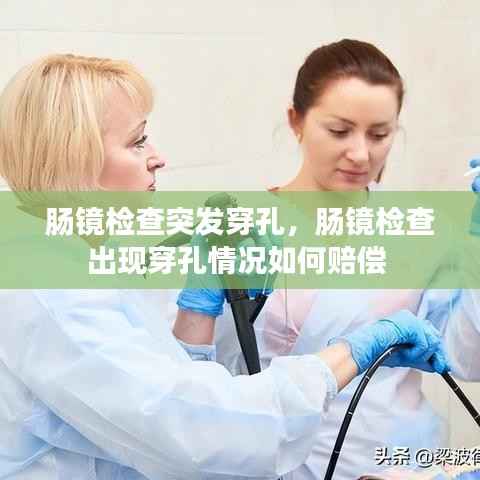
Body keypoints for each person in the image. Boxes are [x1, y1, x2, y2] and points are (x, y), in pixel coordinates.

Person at [0, 53, 449, 480]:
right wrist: (355, 351)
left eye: (379, 133)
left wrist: (200, 306)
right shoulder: (48, 290)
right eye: (137, 141)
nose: (157, 157)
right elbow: (192, 425)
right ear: (74, 158)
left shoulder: (85, 262)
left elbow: (169, 385)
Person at [176, 40, 480, 479]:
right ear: (295, 121)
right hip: (277, 465)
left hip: (400, 464)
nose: (361, 154)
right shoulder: (241, 230)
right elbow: (192, 384)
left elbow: (467, 360)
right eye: (339, 131)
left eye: (379, 134)